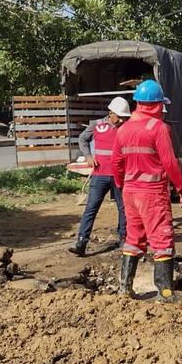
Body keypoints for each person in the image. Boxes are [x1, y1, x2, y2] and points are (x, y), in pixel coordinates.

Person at [111, 80, 182, 304]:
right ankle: (165, 293)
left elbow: (116, 162)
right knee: (162, 239)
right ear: (156, 105)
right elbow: (170, 162)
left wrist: (121, 184)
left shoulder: (123, 128)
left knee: (134, 238)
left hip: (130, 191)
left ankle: (124, 288)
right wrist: (181, 187)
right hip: (152, 192)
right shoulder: (158, 128)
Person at [69, 96, 131, 256]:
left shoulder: (126, 127)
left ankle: (124, 239)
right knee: (91, 208)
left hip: (119, 176)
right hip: (100, 175)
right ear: (111, 113)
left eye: (124, 118)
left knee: (123, 209)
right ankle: (81, 242)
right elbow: (82, 139)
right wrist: (89, 156)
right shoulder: (96, 125)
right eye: (120, 117)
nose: (122, 121)